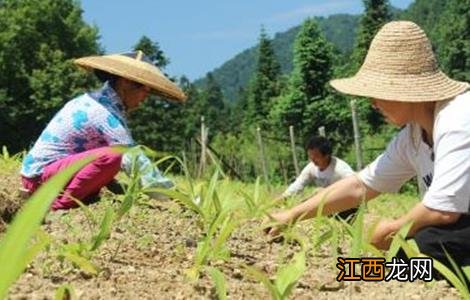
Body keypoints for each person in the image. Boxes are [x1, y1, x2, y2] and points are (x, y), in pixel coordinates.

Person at [266, 21, 470, 276]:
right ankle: (356, 272)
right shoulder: (413, 137)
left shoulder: (459, 119)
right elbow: (359, 185)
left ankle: (360, 272)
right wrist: (292, 215)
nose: (373, 103)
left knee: (425, 245)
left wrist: (393, 227)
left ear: (404, 87)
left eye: (378, 93)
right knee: (420, 246)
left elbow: (442, 211)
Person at [20, 51, 187, 210]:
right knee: (114, 155)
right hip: (40, 178)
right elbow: (134, 159)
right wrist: (174, 196)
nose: (145, 97)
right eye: (144, 89)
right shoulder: (104, 113)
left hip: (49, 174)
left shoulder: (96, 101)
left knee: (110, 157)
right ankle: (57, 206)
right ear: (125, 82)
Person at [281, 136, 354, 198]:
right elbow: (297, 186)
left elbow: (355, 186)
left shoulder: (340, 169)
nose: (312, 160)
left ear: (326, 155)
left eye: (316, 156)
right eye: (310, 156)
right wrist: (282, 198)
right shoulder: (311, 168)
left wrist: (327, 192)